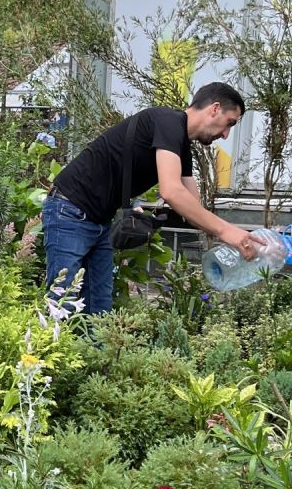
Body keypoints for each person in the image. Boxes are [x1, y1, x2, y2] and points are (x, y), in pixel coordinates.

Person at [42, 82, 257, 315]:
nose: (226, 135)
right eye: (229, 124)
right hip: (69, 210)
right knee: (61, 302)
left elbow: (192, 206)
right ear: (214, 109)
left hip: (98, 221)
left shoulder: (180, 143)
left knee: (98, 311)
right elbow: (171, 191)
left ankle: (90, 352)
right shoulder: (169, 122)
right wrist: (227, 232)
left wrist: (236, 236)